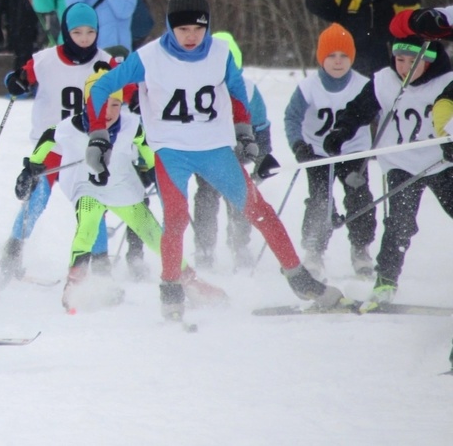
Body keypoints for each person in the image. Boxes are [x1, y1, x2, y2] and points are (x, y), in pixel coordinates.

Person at [85, 0, 348, 321]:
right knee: (176, 219)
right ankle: (171, 289)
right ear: (169, 26)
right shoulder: (148, 57)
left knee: (260, 210)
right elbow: (102, 87)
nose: (192, 36)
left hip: (214, 147)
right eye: (183, 29)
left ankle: (299, 278)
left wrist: (244, 130)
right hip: (171, 151)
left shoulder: (220, 54)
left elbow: (238, 92)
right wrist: (97, 135)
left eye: (199, 28)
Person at [28, 66, 224, 312]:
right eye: (102, 104)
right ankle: (75, 282)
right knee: (87, 226)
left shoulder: (131, 125)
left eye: (115, 104)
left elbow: (145, 146)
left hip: (122, 189)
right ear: (88, 102)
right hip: (87, 188)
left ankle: (189, 281)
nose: (109, 112)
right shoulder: (71, 127)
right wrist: (32, 167)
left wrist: (152, 169)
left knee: (153, 233)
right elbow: (47, 138)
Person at [322, 37, 453, 304]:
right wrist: (341, 130)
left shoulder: (446, 82)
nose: (403, 67)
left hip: (440, 163)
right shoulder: (384, 81)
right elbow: (358, 110)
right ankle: (386, 281)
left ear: (428, 61)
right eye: (399, 60)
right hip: (401, 163)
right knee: (399, 224)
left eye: (411, 62)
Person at [1, 2, 113, 280]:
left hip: (86, 145)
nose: (85, 38)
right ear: (66, 32)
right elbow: (20, 77)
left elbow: (127, 88)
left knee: (91, 202)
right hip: (51, 144)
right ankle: (12, 252)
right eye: (77, 33)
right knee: (37, 198)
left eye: (90, 32)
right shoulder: (45, 60)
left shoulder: (106, 61)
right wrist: (15, 82)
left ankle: (99, 261)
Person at [283, 24, 375, 278]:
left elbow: (383, 113)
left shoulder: (365, 85)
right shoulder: (309, 86)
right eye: (331, 56)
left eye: (344, 56)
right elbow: (291, 118)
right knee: (320, 200)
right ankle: (314, 250)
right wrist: (298, 146)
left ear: (352, 57)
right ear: (321, 57)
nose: (337, 62)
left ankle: (360, 249)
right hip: (317, 154)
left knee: (359, 198)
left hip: (354, 154)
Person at [191, 32, 270, 271]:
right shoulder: (198, 86)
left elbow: (261, 125)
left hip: (238, 155)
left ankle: (240, 244)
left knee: (240, 199)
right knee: (205, 198)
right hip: (207, 154)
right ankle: (204, 248)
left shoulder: (248, 88)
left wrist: (263, 157)